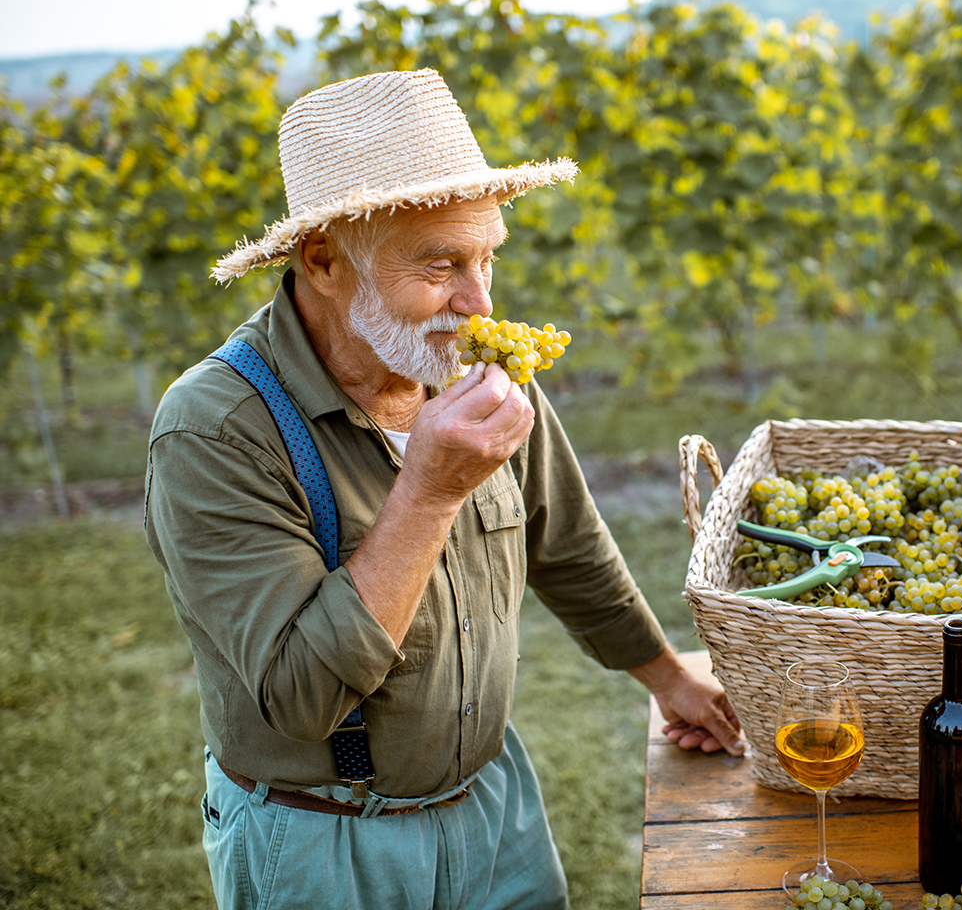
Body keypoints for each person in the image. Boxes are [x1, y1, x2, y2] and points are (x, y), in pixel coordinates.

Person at [144, 68, 743, 910]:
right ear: (323, 259)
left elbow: (563, 543)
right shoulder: (215, 429)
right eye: (441, 265)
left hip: (495, 812)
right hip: (327, 840)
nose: (478, 301)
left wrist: (668, 677)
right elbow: (300, 696)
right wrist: (427, 493)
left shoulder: (467, 364)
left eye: (487, 257)